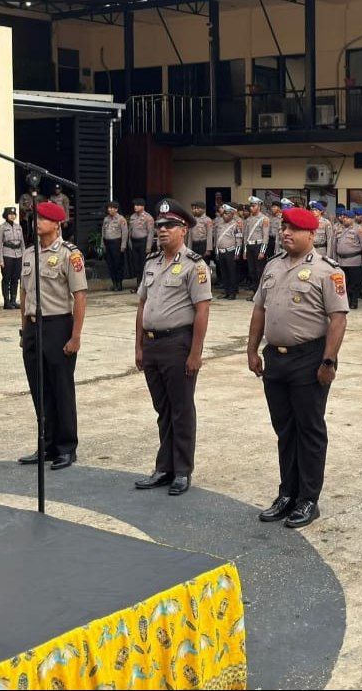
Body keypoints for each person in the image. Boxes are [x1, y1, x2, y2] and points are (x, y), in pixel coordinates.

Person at [248, 206, 349, 529]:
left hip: (309, 358)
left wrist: (328, 360)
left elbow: (338, 319)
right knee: (285, 429)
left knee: (309, 430)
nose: (286, 233)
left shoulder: (327, 271)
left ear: (311, 235)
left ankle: (308, 499)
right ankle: (287, 493)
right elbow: (260, 310)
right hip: (275, 359)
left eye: (294, 229)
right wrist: (252, 350)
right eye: (284, 228)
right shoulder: (273, 266)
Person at [133, 199, 213, 495]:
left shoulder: (195, 265)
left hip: (178, 344)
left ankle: (181, 470)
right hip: (152, 344)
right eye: (159, 225)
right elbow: (142, 305)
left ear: (184, 230)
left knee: (181, 409)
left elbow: (202, 310)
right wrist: (139, 346)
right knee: (163, 409)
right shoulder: (151, 263)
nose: (162, 230)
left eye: (169, 225)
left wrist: (195, 353)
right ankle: (164, 467)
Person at [17, 202, 88, 471]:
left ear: (57, 224)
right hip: (33, 327)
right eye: (36, 218)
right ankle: (46, 445)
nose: (37, 222)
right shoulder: (29, 253)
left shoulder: (70, 254)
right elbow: (24, 293)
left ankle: (66, 447)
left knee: (61, 388)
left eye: (43, 219)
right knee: (39, 388)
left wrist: (76, 336)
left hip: (58, 325)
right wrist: (24, 328)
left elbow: (80, 296)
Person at [330, 209, 362, 310]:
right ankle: (345, 302)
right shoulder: (338, 229)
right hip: (341, 261)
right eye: (344, 217)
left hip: (354, 260)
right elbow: (334, 245)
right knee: (343, 283)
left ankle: (354, 301)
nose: (344, 219)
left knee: (354, 283)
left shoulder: (359, 229)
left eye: (347, 218)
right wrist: (334, 259)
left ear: (352, 219)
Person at [213, 203, 244, 299]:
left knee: (232, 273)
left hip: (231, 252)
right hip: (221, 251)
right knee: (224, 273)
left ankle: (232, 293)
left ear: (232, 214)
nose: (225, 216)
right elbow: (217, 239)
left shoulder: (236, 225)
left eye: (227, 214)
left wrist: (237, 253)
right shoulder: (220, 224)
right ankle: (226, 292)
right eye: (224, 214)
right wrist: (217, 251)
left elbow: (239, 240)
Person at [0, 206, 25, 309]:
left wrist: (24, 256)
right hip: (7, 254)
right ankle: (6, 302)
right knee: (6, 278)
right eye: (10, 214)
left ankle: (13, 300)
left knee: (16, 278)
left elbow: (22, 243)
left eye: (14, 214)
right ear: (6, 215)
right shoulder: (2, 228)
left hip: (18, 254)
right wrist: (0, 259)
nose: (12, 216)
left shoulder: (18, 227)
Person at [244, 197, 270, 297]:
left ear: (259, 206)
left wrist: (262, 251)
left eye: (253, 206)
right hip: (250, 246)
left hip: (258, 246)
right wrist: (245, 250)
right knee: (252, 271)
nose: (251, 208)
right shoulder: (248, 219)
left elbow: (265, 236)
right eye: (250, 206)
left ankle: (261, 295)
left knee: (259, 271)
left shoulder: (264, 219)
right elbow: (245, 236)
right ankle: (255, 293)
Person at [102, 201, 129, 292]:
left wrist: (123, 245)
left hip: (116, 243)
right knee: (110, 264)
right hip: (107, 243)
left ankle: (119, 284)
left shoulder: (121, 219)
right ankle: (114, 283)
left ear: (116, 209)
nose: (109, 209)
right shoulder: (106, 219)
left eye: (111, 208)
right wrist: (103, 244)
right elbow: (103, 232)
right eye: (108, 208)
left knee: (118, 264)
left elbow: (125, 233)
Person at [127, 198, 155, 284]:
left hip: (143, 242)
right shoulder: (132, 216)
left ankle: (143, 284)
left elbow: (150, 233)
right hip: (134, 242)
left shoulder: (148, 217)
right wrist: (129, 242)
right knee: (136, 264)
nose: (135, 207)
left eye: (137, 205)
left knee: (143, 264)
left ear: (143, 206)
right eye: (134, 205)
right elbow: (130, 230)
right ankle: (138, 284)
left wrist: (148, 247)